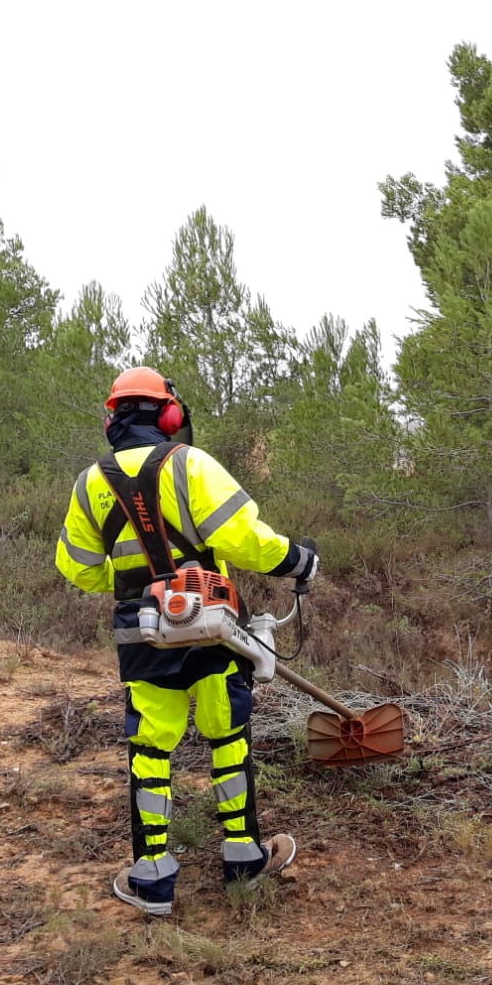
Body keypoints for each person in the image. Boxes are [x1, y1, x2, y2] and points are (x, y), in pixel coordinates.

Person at [54, 366, 318, 913]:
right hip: (214, 627)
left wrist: (134, 589)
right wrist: (299, 560)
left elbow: (77, 569)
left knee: (151, 747)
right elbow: (245, 539)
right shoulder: (191, 465)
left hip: (140, 633)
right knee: (228, 737)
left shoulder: (89, 484)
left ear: (113, 417)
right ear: (169, 414)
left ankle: (152, 877)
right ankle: (244, 859)